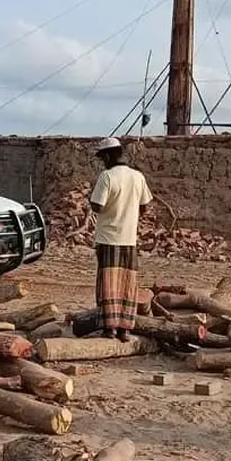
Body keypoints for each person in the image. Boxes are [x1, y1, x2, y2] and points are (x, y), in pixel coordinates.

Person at [89, 137, 152, 342]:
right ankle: (125, 329)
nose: (102, 162)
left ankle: (110, 328)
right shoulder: (138, 176)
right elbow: (144, 206)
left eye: (103, 158)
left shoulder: (107, 177)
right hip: (129, 239)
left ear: (108, 156)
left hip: (108, 238)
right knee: (127, 283)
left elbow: (97, 205)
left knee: (108, 283)